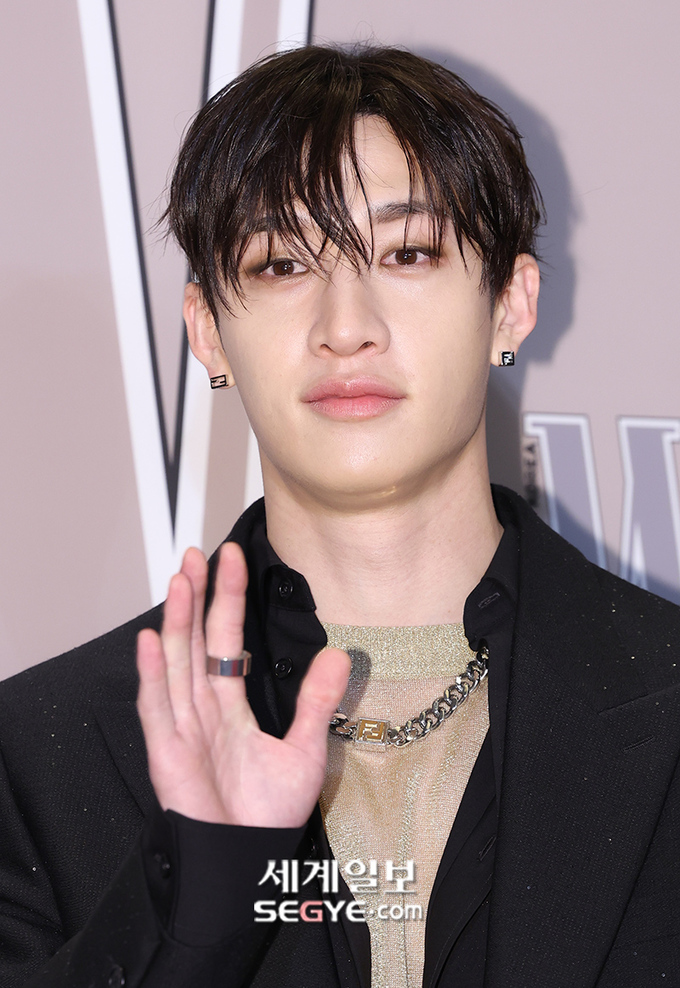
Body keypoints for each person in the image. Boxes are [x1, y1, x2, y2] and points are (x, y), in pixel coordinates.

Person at [0, 43, 678, 988]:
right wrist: (195, 906)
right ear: (208, 330)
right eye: (282, 263)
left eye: (407, 253)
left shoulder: (664, 697)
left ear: (510, 305)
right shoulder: (37, 752)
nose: (345, 325)